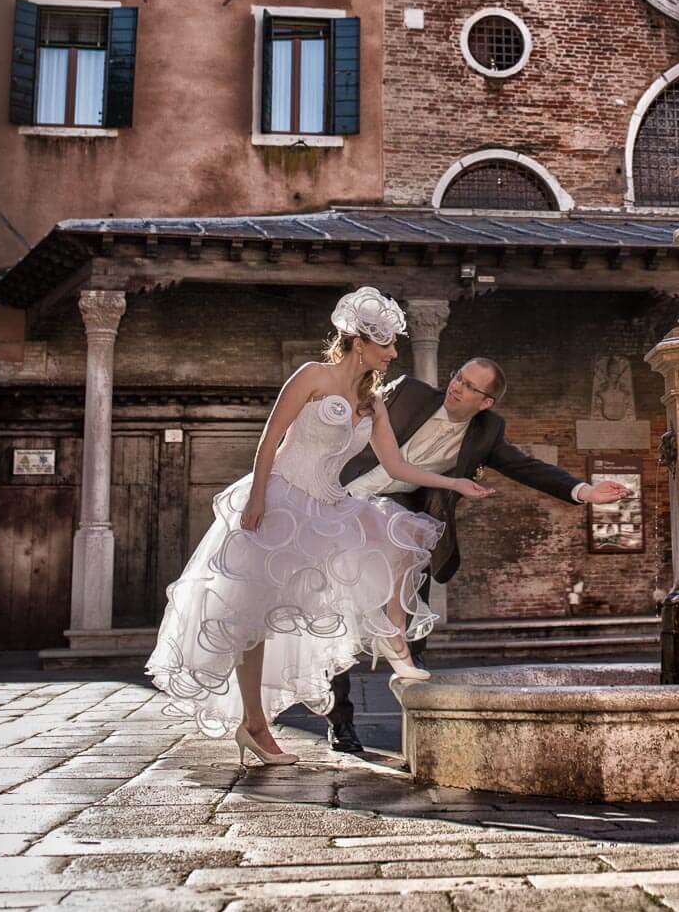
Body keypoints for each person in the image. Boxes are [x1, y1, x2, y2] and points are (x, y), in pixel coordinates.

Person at [145, 288, 492, 767]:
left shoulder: (372, 402)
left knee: (394, 540)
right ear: (360, 342)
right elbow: (269, 442)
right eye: (387, 343)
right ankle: (255, 726)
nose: (393, 353)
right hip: (280, 500)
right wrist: (258, 498)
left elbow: (396, 464)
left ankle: (395, 644)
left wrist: (452, 481)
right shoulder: (311, 376)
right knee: (250, 618)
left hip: (327, 506)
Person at [324, 355, 628, 756]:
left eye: (470, 387)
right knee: (334, 620)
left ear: (485, 402)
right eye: (458, 377)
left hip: (404, 526)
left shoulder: (487, 431)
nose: (457, 387)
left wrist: (583, 491)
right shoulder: (409, 393)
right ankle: (340, 724)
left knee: (415, 628)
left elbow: (526, 467)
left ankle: (422, 727)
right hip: (340, 501)